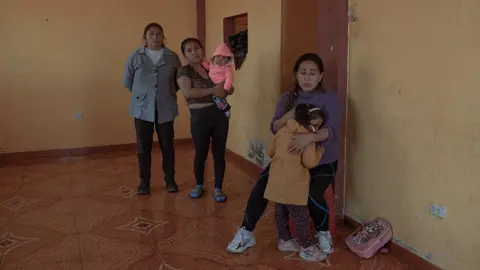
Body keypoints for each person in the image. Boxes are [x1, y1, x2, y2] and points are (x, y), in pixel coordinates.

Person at [226, 53, 341, 256]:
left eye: (312, 73)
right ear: (296, 74)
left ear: (321, 76)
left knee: (312, 193)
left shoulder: (329, 98)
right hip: (288, 161)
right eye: (303, 72)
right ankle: (246, 231)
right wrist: (287, 118)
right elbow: (274, 127)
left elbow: (332, 130)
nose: (307, 77)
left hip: (322, 160)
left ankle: (323, 232)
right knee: (262, 185)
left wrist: (309, 139)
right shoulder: (287, 98)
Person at [123, 23, 182, 195]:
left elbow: (179, 81)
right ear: (145, 38)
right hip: (142, 109)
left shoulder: (172, 57)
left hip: (166, 107)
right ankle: (144, 182)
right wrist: (144, 95)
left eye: (158, 34)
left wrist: (166, 93)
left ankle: (170, 181)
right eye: (151, 34)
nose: (155, 37)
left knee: (168, 146)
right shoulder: (135, 56)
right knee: (143, 147)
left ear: (163, 37)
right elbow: (127, 82)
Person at [265, 103, 327, 261]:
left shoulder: (282, 131)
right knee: (300, 215)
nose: (316, 130)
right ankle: (307, 247)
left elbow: (269, 152)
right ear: (307, 121)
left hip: (277, 180)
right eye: (314, 125)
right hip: (293, 183)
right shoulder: (306, 139)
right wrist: (320, 151)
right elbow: (310, 162)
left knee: (281, 209)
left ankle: (285, 240)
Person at [176, 38, 233, 202]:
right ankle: (199, 185)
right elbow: (188, 93)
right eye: (189, 50)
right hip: (199, 117)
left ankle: (218, 188)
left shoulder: (211, 66)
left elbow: (226, 87)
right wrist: (214, 90)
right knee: (200, 153)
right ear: (185, 54)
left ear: (202, 49)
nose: (194, 52)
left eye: (197, 48)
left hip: (220, 115)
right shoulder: (184, 71)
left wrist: (228, 89)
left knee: (219, 153)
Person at [201, 43, 234, 118]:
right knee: (215, 98)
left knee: (218, 98)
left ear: (228, 60)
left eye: (224, 58)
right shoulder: (212, 65)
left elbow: (229, 78)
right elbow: (207, 67)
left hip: (221, 85)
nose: (220, 59)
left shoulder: (226, 68)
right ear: (214, 57)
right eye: (218, 56)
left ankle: (226, 108)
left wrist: (226, 88)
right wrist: (202, 62)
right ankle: (222, 107)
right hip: (213, 85)